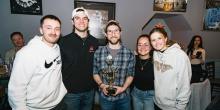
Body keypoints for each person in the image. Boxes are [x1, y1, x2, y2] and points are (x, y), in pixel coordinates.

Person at [8, 15, 67, 110]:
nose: (53, 32)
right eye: (49, 28)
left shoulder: (57, 48)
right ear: (41, 30)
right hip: (37, 107)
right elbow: (16, 89)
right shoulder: (26, 53)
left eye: (57, 29)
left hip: (59, 103)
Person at [58, 7, 99, 110]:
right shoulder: (63, 41)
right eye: (77, 18)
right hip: (71, 93)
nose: (81, 21)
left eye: (84, 18)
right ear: (72, 21)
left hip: (90, 91)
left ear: (88, 21)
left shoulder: (95, 42)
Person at [93, 20, 135, 110]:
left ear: (120, 32)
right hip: (105, 99)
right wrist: (102, 85)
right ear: (106, 34)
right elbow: (95, 72)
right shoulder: (98, 53)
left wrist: (123, 88)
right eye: (110, 31)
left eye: (116, 30)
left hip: (124, 98)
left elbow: (130, 74)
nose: (113, 34)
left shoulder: (129, 53)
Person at [149, 27, 191, 110]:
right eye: (153, 40)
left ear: (165, 39)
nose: (156, 43)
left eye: (159, 38)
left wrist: (180, 107)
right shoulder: (155, 53)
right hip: (157, 102)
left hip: (173, 106)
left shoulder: (180, 56)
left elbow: (185, 84)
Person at [131, 34, 154, 110]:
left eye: (146, 45)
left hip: (150, 95)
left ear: (151, 47)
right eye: (139, 45)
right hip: (135, 94)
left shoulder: (156, 61)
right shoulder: (133, 59)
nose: (142, 47)